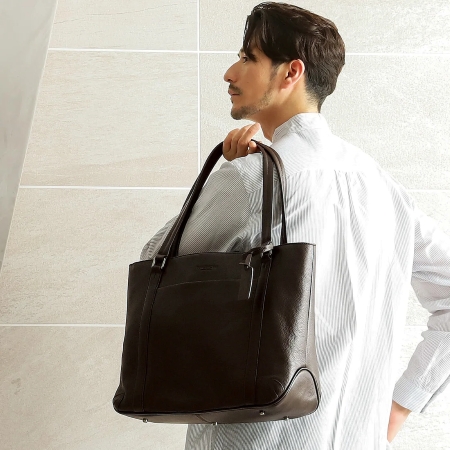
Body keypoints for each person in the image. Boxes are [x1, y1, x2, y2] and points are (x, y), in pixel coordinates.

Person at [140, 3, 450, 449]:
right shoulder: (383, 186)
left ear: (291, 73)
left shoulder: (251, 179)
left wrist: (226, 177)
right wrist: (401, 406)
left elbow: (155, 264)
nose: (230, 73)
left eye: (248, 57)